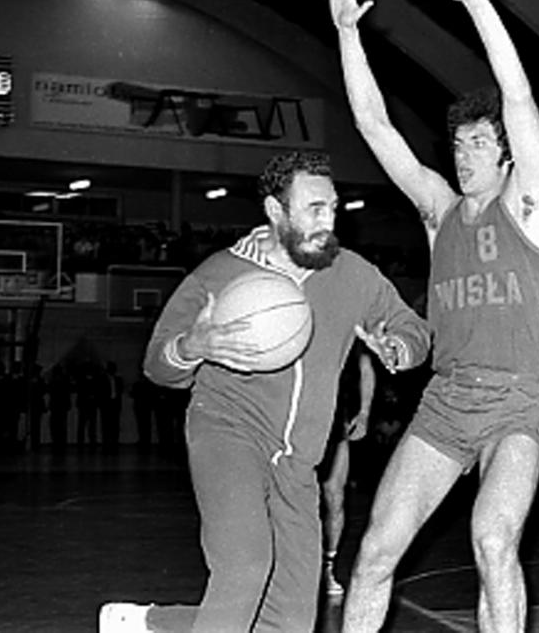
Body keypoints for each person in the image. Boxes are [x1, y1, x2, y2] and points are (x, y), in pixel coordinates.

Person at [99, 150, 430, 633]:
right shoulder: (219, 274)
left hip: (298, 465)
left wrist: (398, 348)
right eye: (314, 208)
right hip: (227, 435)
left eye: (333, 207)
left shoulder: (353, 274)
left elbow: (413, 329)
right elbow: (157, 366)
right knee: (245, 568)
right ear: (276, 212)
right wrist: (193, 346)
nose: (329, 220)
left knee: (290, 623)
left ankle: (149, 624)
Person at [328, 0, 539, 630]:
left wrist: (478, 3)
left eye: (480, 142)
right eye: (458, 143)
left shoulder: (528, 205)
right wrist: (346, 31)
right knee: (372, 554)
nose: (465, 153)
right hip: (446, 400)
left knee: (492, 541)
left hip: (517, 398)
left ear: (505, 154)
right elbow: (375, 127)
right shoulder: (438, 208)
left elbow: (517, 101)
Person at [320, 348, 376, 599]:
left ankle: (327, 567)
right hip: (298, 418)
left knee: (335, 496)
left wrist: (363, 413)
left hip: (335, 419)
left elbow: (366, 368)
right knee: (295, 497)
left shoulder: (348, 317)